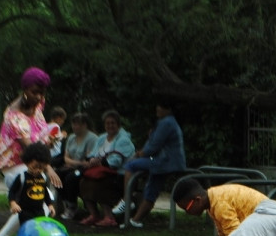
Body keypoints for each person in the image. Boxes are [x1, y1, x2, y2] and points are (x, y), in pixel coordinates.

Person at [112, 96, 187, 228]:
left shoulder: (166, 122)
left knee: (130, 165)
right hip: (169, 161)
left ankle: (127, 200)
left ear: (167, 109)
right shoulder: (168, 122)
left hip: (165, 161)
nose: (157, 109)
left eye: (160, 107)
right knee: (151, 190)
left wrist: (140, 154)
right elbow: (153, 142)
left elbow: (153, 146)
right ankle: (135, 220)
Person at [0, 67, 62, 191]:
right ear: (24, 89)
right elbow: (31, 148)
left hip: (36, 160)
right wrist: (48, 168)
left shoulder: (37, 103)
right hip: (15, 162)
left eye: (42, 93)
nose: (39, 97)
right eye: (34, 92)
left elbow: (38, 130)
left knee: (41, 200)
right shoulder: (15, 116)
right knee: (32, 191)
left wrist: (50, 140)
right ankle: (14, 189)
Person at [0, 142, 56, 236]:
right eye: (35, 167)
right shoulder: (22, 176)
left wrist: (50, 205)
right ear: (28, 163)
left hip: (37, 211)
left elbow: (45, 193)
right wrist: (13, 203)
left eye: (41, 167)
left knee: (38, 230)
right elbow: (12, 192)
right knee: (28, 232)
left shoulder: (42, 177)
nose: (37, 170)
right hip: (25, 209)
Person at [77, 110, 136, 226]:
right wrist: (91, 161)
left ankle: (109, 217)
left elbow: (115, 162)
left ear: (118, 124)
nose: (110, 126)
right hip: (102, 171)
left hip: (119, 174)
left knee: (98, 184)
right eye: (107, 123)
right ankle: (94, 214)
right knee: (83, 182)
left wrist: (97, 162)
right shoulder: (102, 138)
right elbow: (92, 155)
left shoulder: (123, 140)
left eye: (113, 123)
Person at [54, 112, 99, 220]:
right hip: (73, 165)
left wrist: (75, 164)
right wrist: (75, 163)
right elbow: (66, 158)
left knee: (71, 178)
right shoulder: (71, 138)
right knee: (57, 175)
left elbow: (88, 161)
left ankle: (72, 206)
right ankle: (67, 202)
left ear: (85, 125)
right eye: (73, 124)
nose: (75, 127)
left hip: (85, 168)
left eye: (78, 124)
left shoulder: (92, 138)